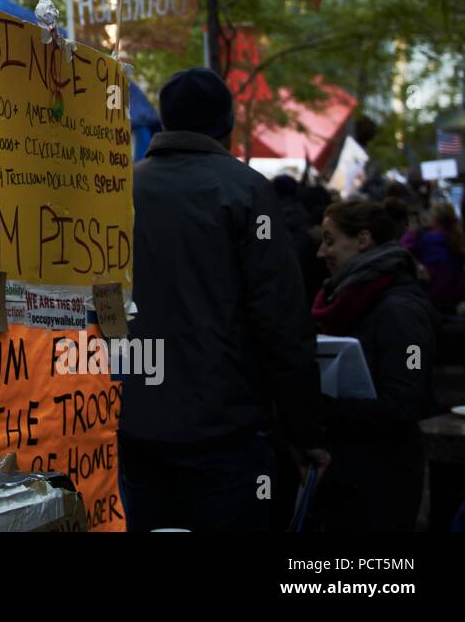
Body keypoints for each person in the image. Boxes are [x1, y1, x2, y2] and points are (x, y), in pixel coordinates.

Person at [120, 67, 328, 532]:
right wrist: (304, 431)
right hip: (224, 434)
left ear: (166, 121)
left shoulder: (121, 189)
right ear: (227, 124)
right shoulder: (247, 190)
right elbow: (281, 322)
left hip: (134, 426)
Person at [313, 198, 438, 531]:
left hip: (383, 481)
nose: (321, 253)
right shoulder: (348, 298)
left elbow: (403, 403)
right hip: (353, 472)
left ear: (363, 240)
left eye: (329, 240)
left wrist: (322, 408)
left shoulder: (400, 310)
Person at [401, 202, 465, 314]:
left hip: (432, 297)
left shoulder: (428, 240)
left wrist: (410, 233)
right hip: (454, 297)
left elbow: (403, 252)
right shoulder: (456, 238)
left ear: (436, 219)